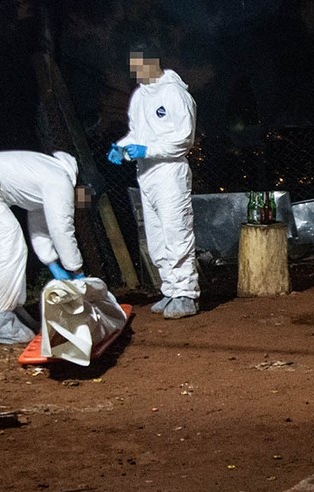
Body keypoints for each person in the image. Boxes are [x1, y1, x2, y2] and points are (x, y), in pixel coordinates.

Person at [0, 150, 86, 345]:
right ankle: (0, 322)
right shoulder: (60, 181)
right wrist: (77, 270)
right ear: (79, 184)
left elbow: (39, 225)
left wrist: (52, 263)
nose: (80, 201)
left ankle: (11, 311)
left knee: (11, 243)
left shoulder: (48, 174)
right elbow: (61, 229)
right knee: (9, 243)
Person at [108, 47, 199, 319]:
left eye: (138, 65)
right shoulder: (140, 96)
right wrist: (122, 147)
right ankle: (170, 289)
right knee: (157, 236)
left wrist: (149, 150)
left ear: (152, 62)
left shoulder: (175, 93)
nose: (134, 72)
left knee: (176, 231)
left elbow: (184, 139)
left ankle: (186, 294)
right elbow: (137, 134)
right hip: (146, 173)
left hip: (170, 172)